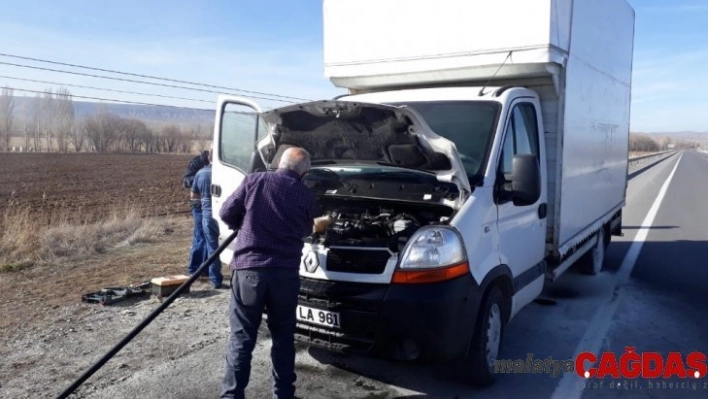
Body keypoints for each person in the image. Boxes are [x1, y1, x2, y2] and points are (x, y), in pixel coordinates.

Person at [218, 147, 322, 399]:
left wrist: (242, 221)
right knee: (284, 337)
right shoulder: (306, 195)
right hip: (285, 276)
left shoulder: (254, 181)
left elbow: (225, 213)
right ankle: (283, 394)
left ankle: (232, 396)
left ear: (279, 163)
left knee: (242, 339)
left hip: (249, 271)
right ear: (304, 172)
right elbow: (307, 229)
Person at [191, 150, 225, 289]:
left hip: (207, 214)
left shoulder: (200, 173)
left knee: (212, 248)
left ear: (208, 158)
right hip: (224, 214)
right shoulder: (224, 173)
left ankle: (215, 279)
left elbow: (194, 194)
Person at [183, 150, 210, 278]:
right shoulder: (196, 162)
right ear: (208, 155)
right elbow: (186, 181)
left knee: (209, 236)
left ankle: (204, 268)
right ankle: (194, 269)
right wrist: (201, 176)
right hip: (198, 204)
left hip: (211, 202)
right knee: (201, 236)